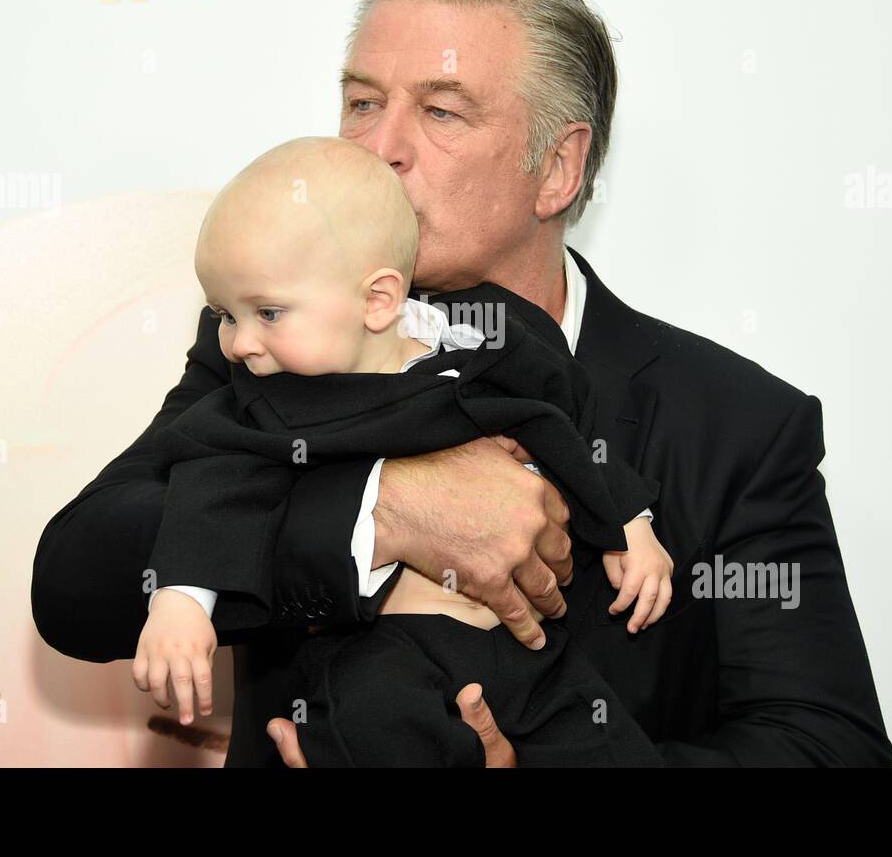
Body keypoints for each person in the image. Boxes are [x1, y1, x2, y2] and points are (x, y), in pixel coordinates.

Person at [32, 0, 892, 767]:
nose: (378, 147)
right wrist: (387, 511)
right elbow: (76, 581)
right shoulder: (267, 342)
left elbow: (827, 747)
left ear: (557, 168)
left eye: (440, 111)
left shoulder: (738, 423)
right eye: (362, 102)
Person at [131, 136, 673, 765]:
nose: (237, 343)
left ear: (379, 299)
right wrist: (181, 604)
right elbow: (214, 485)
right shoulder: (271, 401)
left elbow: (558, 425)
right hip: (386, 656)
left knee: (610, 748)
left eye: (268, 313)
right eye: (225, 314)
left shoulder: (482, 345)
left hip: (526, 654)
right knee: (380, 725)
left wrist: (627, 520)